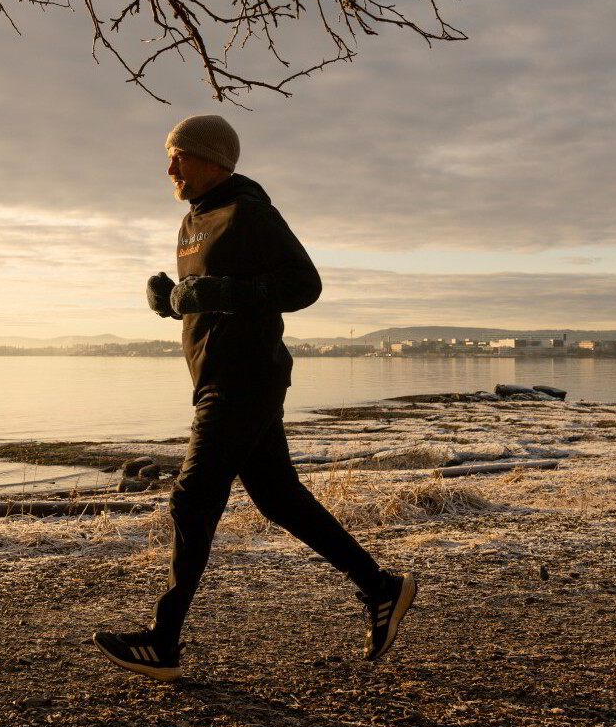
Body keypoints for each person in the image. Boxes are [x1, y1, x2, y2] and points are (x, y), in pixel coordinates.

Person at [93, 115, 417, 682]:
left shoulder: (249, 212)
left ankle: (164, 642)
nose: (169, 167)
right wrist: (170, 300)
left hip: (245, 377)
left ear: (213, 159)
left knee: (193, 498)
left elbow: (303, 285)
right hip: (215, 375)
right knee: (279, 498)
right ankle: (382, 587)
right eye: (168, 156)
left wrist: (221, 292)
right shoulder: (191, 223)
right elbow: (209, 297)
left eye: (180, 156)